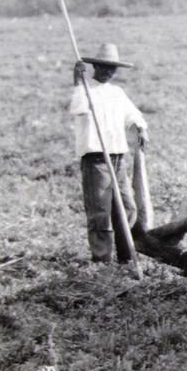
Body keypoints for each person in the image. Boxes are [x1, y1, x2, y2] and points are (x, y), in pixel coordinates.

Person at [70, 43, 149, 263]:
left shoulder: (117, 92)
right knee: (100, 213)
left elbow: (133, 114)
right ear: (95, 66)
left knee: (127, 207)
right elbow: (77, 109)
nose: (108, 72)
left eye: (112, 68)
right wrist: (77, 82)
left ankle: (128, 256)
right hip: (96, 159)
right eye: (104, 67)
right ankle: (102, 260)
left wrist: (140, 127)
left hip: (118, 158)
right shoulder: (85, 90)